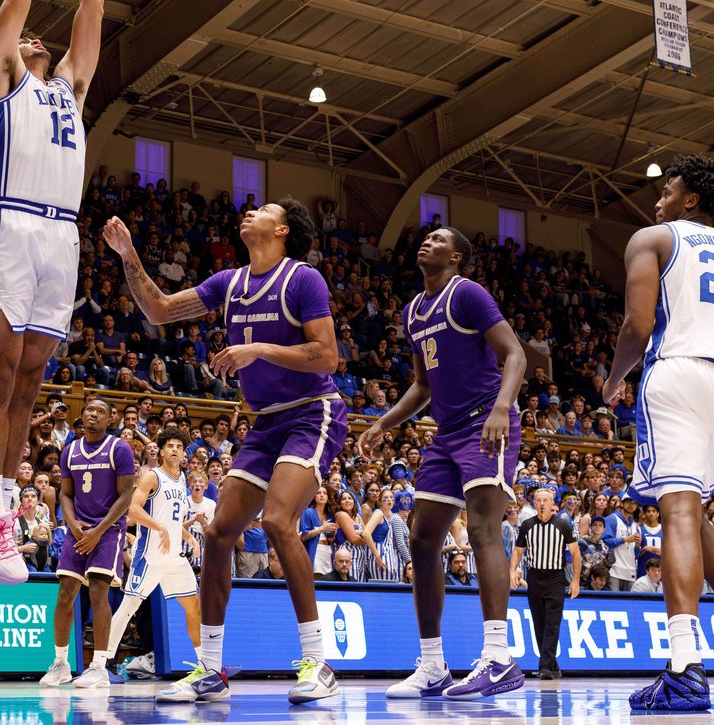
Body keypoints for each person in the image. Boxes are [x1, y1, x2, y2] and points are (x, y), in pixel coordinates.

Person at [104, 197, 345, 704]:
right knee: (217, 533)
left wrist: (257, 350)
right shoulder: (230, 283)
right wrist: (128, 255)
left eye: (262, 210)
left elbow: (327, 355)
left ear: (281, 230)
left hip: (312, 411)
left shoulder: (303, 280)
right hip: (265, 423)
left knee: (279, 520)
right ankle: (210, 670)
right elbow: (158, 309)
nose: (249, 212)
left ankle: (318, 663)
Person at [603, 154, 714, 710]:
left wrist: (614, 378)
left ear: (690, 200)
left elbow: (637, 325)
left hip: (680, 372)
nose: (658, 196)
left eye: (668, 188)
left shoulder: (653, 238)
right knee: (693, 511)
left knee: (678, 512)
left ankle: (683, 665)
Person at [0, 0, 106, 587]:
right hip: (13, 222)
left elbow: (91, 7)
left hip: (61, 236)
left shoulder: (73, 88)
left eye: (36, 39)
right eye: (22, 38)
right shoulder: (4, 82)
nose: (34, 36)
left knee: (30, 379)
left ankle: (6, 503)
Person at [356, 226, 527, 701]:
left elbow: (514, 355)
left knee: (483, 530)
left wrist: (501, 409)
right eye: (425, 239)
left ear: (455, 257)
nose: (426, 242)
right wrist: (383, 424)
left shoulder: (467, 292)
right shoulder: (413, 311)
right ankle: (432, 665)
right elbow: (423, 387)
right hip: (447, 431)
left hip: (485, 422)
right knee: (422, 537)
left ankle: (498, 658)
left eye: (437, 239)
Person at [79, 428, 204, 694]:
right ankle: (101, 664)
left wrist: (187, 536)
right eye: (169, 445)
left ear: (184, 453)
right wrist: (158, 528)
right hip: (149, 555)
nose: (174, 449)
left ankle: (205, 665)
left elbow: (172, 518)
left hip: (174, 558)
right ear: (160, 450)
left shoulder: (181, 479)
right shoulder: (152, 476)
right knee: (128, 607)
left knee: (194, 606)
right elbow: (133, 509)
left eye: (178, 446)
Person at [39, 399, 136, 687]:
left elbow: (126, 495)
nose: (93, 414)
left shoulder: (120, 449)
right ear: (81, 416)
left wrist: (99, 530)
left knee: (98, 592)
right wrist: (72, 524)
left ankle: (98, 667)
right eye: (89, 410)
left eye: (100, 411)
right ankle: (60, 664)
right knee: (65, 593)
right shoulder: (69, 451)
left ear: (110, 419)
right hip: (77, 530)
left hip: (107, 531)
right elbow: (65, 495)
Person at [510, 488, 581, 681]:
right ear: (534, 503)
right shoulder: (527, 525)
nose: (541, 503)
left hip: (555, 578)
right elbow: (517, 551)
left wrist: (575, 580)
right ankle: (552, 665)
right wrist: (512, 571)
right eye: (538, 500)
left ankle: (544, 667)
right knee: (539, 623)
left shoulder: (563, 525)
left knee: (552, 623)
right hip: (534, 577)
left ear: (552, 504)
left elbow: (576, 555)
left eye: (545, 500)